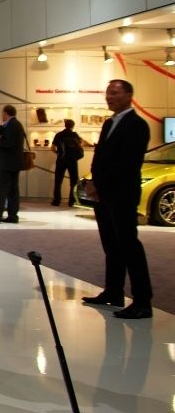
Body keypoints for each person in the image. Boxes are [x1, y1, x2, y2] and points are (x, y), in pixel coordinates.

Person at [82, 80, 153, 319]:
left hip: (122, 194)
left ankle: (143, 301)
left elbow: (127, 163)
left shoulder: (137, 125)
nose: (109, 97)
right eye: (107, 93)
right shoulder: (109, 123)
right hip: (104, 194)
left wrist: (101, 185)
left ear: (129, 95)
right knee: (111, 245)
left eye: (114, 93)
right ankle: (113, 291)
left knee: (129, 246)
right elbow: (101, 155)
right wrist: (93, 182)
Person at [0, 104, 25, 223]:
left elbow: (8, 143)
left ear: (5, 113)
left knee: (1, 189)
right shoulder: (17, 124)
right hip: (14, 163)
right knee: (13, 190)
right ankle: (12, 215)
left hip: (7, 163)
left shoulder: (11, 125)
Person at [50, 119, 88, 207]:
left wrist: (59, 153)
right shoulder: (75, 135)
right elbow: (80, 145)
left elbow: (52, 148)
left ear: (65, 125)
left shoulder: (59, 135)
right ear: (73, 126)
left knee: (58, 181)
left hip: (61, 160)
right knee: (74, 181)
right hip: (73, 160)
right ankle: (72, 201)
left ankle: (56, 201)